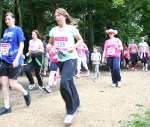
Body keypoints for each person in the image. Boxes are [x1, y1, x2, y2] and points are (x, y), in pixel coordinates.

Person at [48, 8, 82, 125]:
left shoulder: (71, 29)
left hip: (71, 58)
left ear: (65, 16)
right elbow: (50, 42)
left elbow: (80, 40)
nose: (57, 18)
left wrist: (73, 47)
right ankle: (76, 103)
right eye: (55, 16)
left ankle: (70, 111)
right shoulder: (53, 30)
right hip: (60, 59)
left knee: (63, 83)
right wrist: (49, 46)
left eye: (59, 15)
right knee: (69, 82)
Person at [0, 12, 31, 115]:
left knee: (12, 84)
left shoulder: (18, 29)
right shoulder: (5, 31)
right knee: (4, 83)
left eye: (9, 19)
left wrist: (17, 59)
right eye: (6, 19)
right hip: (4, 60)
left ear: (13, 20)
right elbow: (4, 45)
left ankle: (26, 93)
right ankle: (7, 107)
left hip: (14, 60)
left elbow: (21, 45)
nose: (7, 21)